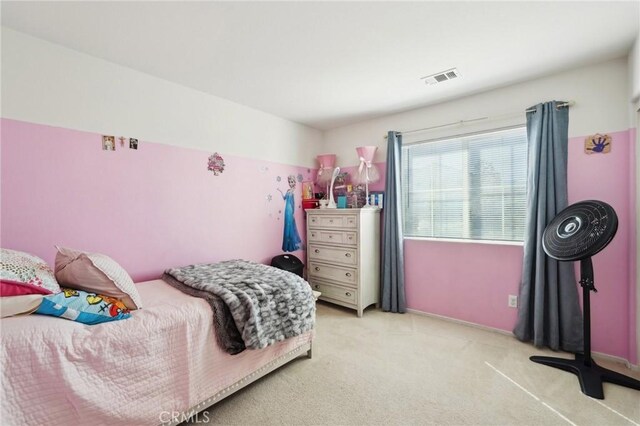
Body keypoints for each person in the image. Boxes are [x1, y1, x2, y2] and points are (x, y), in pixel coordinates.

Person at [278, 175, 302, 252]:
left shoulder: (293, 191)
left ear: (294, 182)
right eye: (289, 182)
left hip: (290, 209)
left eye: (292, 182)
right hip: (286, 209)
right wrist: (280, 191)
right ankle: (286, 245)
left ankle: (291, 244)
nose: (290, 183)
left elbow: (293, 203)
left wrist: (293, 212)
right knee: (286, 225)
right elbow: (284, 198)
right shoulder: (288, 190)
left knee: (290, 226)